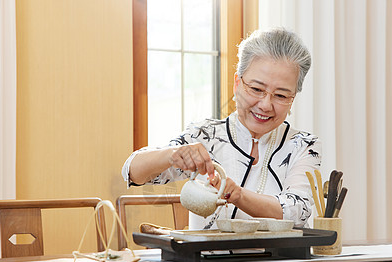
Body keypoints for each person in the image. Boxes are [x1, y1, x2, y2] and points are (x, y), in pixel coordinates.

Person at [122, 28, 321, 229]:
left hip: (279, 260)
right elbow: (132, 171)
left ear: (293, 97)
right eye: (256, 89)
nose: (265, 105)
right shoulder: (205, 135)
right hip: (208, 260)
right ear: (237, 84)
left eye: (281, 95)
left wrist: (238, 195)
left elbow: (297, 211)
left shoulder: (303, 146)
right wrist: (173, 154)